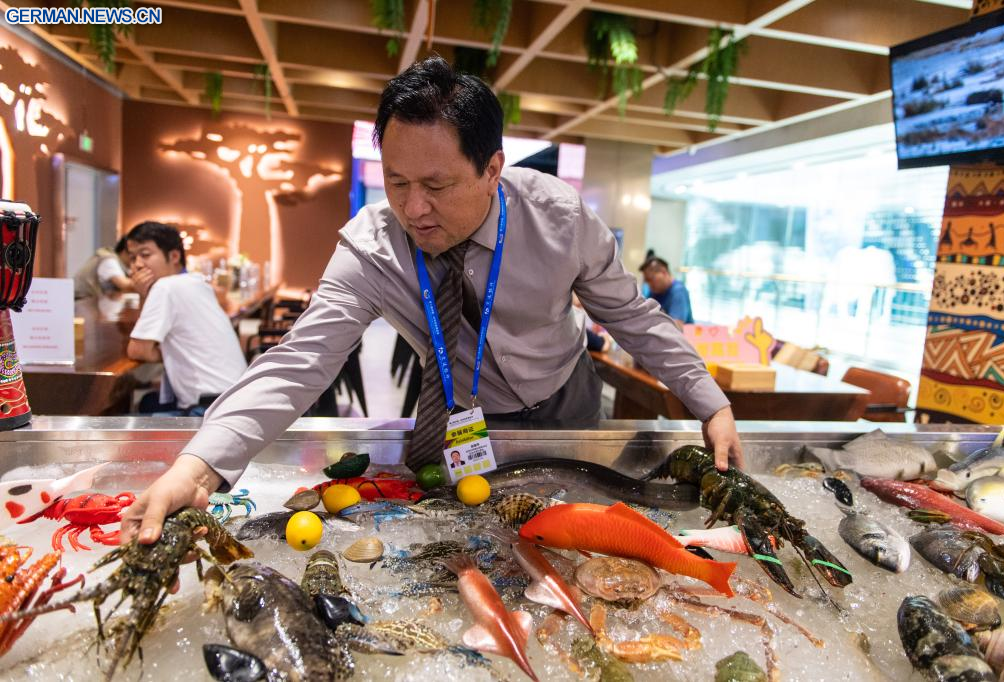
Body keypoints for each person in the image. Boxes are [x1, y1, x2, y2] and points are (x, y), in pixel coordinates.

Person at [121, 56, 743, 547]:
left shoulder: (558, 218)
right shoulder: (372, 245)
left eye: (437, 185)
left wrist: (708, 401)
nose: (414, 208)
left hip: (566, 403)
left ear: (493, 168)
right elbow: (298, 362)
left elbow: (631, 315)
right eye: (397, 182)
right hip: (468, 419)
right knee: (484, 546)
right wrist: (196, 467)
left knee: (579, 543)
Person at [125, 221, 247, 416]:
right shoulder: (196, 282)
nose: (137, 264)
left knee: (122, 420)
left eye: (145, 255)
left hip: (209, 410)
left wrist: (167, 351)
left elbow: (138, 350)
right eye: (132, 258)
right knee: (149, 403)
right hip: (236, 400)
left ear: (174, 256)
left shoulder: (166, 287)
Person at [640, 252, 695, 324]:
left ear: (664, 272)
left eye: (651, 279)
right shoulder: (654, 292)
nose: (649, 284)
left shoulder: (678, 292)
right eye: (647, 281)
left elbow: (677, 326)